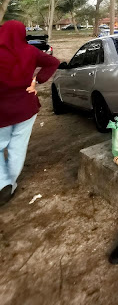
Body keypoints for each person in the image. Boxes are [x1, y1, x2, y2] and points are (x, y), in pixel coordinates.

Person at [0, 20, 59, 206]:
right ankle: (11, 182)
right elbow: (53, 62)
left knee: (0, 147)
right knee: (18, 145)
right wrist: (37, 81)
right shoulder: (30, 51)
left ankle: (3, 184)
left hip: (2, 112)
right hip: (26, 107)